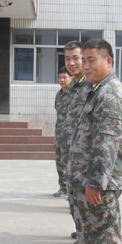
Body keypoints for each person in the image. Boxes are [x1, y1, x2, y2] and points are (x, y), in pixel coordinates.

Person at [68, 39, 122, 244]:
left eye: (91, 60)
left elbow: (107, 142)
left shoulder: (110, 94)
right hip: (88, 178)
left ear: (109, 62)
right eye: (85, 60)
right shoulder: (97, 90)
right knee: (92, 232)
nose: (85, 65)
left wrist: (96, 182)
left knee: (104, 232)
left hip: (100, 181)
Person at [60, 41, 93, 244]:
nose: (71, 63)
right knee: (75, 207)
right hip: (72, 159)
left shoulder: (91, 86)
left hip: (85, 163)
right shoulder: (74, 87)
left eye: (76, 58)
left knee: (85, 211)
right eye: (67, 59)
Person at [53, 66, 73, 197]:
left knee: (70, 162)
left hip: (71, 135)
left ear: (71, 78)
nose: (62, 80)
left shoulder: (75, 94)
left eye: (65, 77)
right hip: (59, 133)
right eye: (60, 77)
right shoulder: (59, 94)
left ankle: (72, 191)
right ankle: (63, 187)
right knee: (59, 160)